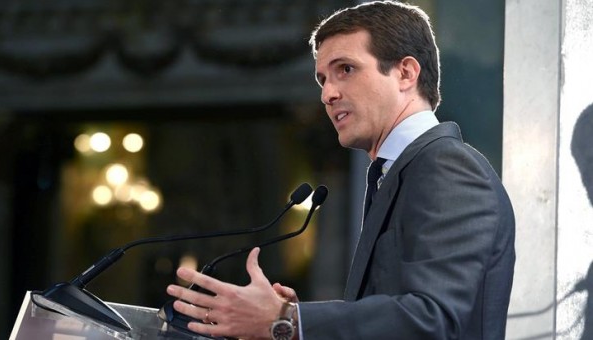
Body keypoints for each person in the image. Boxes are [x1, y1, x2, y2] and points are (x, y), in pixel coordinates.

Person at [165, 1, 515, 339]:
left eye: (345, 69)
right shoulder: (401, 171)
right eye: (322, 79)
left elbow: (433, 319)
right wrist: (293, 328)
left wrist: (289, 319)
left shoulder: (446, 167)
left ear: (405, 73)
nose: (327, 94)